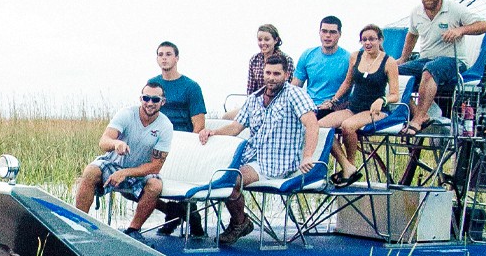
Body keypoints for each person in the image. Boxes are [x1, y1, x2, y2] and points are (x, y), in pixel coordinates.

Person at [199, 55, 318, 245]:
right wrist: (213, 132)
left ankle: (239, 223)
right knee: (214, 173)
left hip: (277, 162)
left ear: (287, 75)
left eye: (277, 74)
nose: (271, 78)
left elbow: (312, 124)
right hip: (251, 156)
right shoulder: (254, 98)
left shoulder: (295, 94)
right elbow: (236, 127)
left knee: (231, 179)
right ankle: (237, 221)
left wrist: (308, 156)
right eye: (268, 73)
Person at [73, 83, 175, 234]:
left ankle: (133, 231)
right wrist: (116, 143)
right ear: (141, 98)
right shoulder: (126, 114)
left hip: (140, 171)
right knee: (90, 171)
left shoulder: (165, 126)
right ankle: (78, 225)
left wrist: (125, 173)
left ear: (163, 102)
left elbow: (156, 166)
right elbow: (103, 141)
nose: (150, 103)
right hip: (114, 164)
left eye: (155, 99)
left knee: (155, 185)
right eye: (146, 98)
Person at [397, 0, 486, 133]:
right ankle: (418, 112)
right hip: (425, 58)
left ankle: (418, 118)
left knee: (430, 70)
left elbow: (484, 25)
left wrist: (460, 30)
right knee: (392, 72)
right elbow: (412, 35)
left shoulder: (454, 8)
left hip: (453, 60)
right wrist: (403, 58)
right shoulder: (416, 12)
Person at [318, 24, 401, 186]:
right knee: (320, 126)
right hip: (353, 106)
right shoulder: (355, 56)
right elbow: (347, 82)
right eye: (364, 40)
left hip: (375, 110)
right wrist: (333, 100)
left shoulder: (389, 61)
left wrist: (382, 100)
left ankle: (350, 165)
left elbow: (395, 95)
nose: (368, 43)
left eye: (372, 39)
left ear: (380, 40)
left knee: (348, 126)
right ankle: (347, 166)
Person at [146, 41, 208, 236]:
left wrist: (189, 148)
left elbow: (199, 124)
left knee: (179, 183)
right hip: (157, 142)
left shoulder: (191, 87)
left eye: (168, 54)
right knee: (134, 183)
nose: (164, 57)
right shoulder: (153, 85)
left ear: (176, 58)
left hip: (183, 143)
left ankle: (189, 218)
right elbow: (145, 116)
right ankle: (172, 212)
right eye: (160, 54)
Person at [292, 16, 351, 109]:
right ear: (319, 32)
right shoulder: (307, 55)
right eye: (324, 31)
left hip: (335, 109)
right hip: (309, 108)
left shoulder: (349, 59)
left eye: (332, 32)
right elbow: (295, 87)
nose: (328, 35)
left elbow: (353, 89)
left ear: (340, 34)